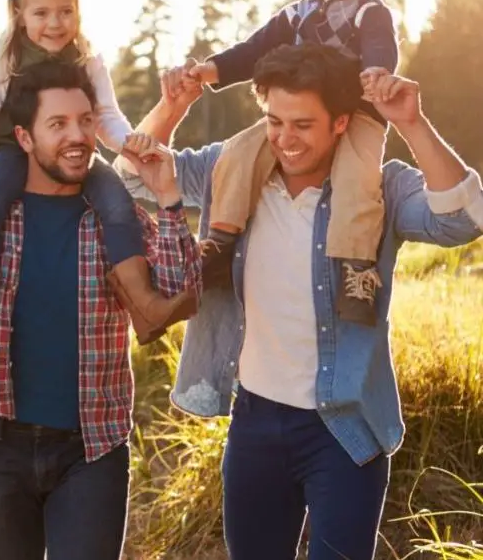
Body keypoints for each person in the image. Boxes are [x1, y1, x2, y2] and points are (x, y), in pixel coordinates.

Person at [122, 42, 483, 560]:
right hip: (255, 423)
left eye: (303, 125)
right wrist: (173, 106)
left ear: (340, 123)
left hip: (344, 427)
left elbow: (462, 221)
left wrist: (412, 123)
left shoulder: (377, 187)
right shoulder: (232, 171)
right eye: (274, 121)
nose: (285, 139)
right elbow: (133, 177)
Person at [0, 59, 201, 560]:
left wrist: (168, 195)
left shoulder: (115, 218)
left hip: (92, 449)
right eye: (57, 124)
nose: (77, 136)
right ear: (24, 137)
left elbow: (183, 291)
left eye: (85, 121)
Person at [0, 0, 193, 349]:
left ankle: (145, 304)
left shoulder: (88, 59)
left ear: (78, 12)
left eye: (65, 12)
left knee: (117, 201)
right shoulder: (7, 56)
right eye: (41, 13)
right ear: (19, 14)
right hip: (9, 149)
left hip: (75, 153)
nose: (55, 23)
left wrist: (127, 142)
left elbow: (105, 115)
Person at [166, 0, 399, 324]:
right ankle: (221, 242)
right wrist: (210, 70)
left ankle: (356, 269)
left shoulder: (369, 11)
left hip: (357, 111)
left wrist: (377, 72)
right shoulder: (295, 15)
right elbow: (252, 51)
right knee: (238, 152)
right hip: (296, 113)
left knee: (358, 178)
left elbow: (381, 47)